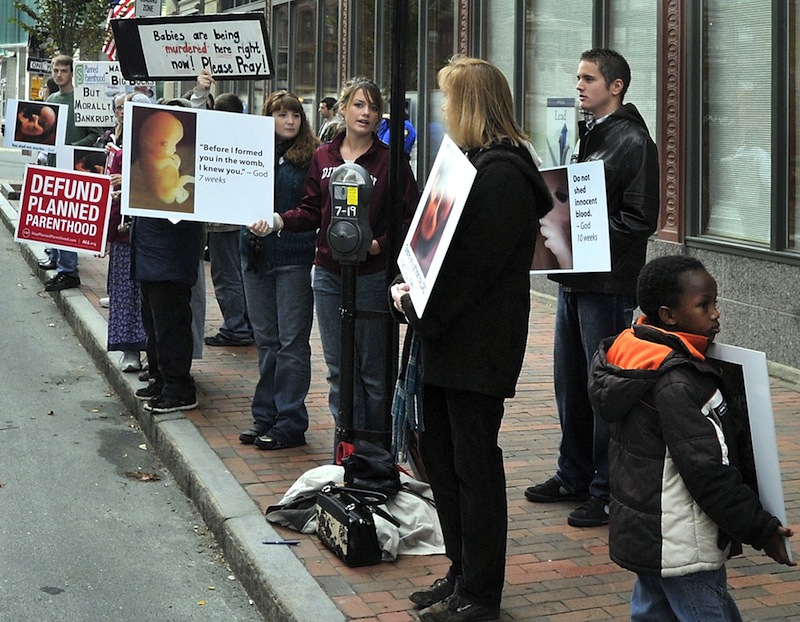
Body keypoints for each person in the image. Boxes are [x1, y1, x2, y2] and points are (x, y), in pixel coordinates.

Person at [389, 56, 553, 622]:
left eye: (449, 100)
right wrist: (412, 280)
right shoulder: (475, 163)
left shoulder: (503, 174)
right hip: (450, 339)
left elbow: (472, 268)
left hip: (477, 345)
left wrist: (416, 305)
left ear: (471, 106)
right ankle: (461, 573)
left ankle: (481, 593)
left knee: (474, 465)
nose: (442, 110)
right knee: (442, 456)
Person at [587, 255, 796, 621]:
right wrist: (761, 530)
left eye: (716, 303)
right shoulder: (678, 381)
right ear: (668, 315)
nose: (715, 314)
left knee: (653, 609)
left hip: (649, 533)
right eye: (704, 305)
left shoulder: (631, 353)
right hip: (683, 541)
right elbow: (708, 472)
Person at [524, 48, 660, 528]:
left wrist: (585, 238)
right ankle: (574, 474)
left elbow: (641, 219)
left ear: (616, 86)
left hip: (609, 285)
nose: (579, 85)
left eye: (588, 78)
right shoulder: (594, 135)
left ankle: (605, 491)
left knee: (604, 390)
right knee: (572, 385)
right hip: (578, 281)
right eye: (578, 76)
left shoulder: (633, 141)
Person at [249, 77, 419, 448]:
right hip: (328, 274)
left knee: (373, 370)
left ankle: (376, 448)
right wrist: (279, 221)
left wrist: (380, 245)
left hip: (372, 276)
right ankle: (346, 447)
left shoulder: (392, 161)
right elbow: (312, 210)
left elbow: (410, 219)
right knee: (339, 369)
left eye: (373, 107)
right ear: (342, 109)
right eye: (358, 105)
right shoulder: (323, 155)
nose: (366, 113)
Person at [237, 90, 318, 450]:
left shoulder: (311, 158)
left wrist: (278, 222)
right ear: (266, 117)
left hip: (293, 259)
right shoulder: (251, 152)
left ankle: (290, 420)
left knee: (291, 344)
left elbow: (312, 209)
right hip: (255, 256)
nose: (288, 121)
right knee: (267, 341)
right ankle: (264, 415)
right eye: (281, 114)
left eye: (295, 115)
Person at [130, 99, 205, 414]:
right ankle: (161, 378)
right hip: (150, 253)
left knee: (171, 322)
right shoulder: (147, 165)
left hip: (170, 257)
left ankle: (178, 387)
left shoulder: (189, 164)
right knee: (154, 321)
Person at [189, 70, 254, 347]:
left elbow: (197, 119)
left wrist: (200, 93)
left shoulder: (221, 133)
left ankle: (237, 327)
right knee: (238, 272)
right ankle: (244, 324)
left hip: (222, 221)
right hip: (239, 219)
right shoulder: (247, 133)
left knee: (226, 274)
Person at [39, 55, 106, 292]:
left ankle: (68, 270)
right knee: (54, 215)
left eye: (63, 70)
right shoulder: (53, 98)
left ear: (71, 72)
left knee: (67, 218)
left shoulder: (82, 99)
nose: (59, 75)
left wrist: (71, 149)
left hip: (76, 166)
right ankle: (56, 256)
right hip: (54, 163)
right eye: (55, 70)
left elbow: (94, 134)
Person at [104, 93, 147, 373]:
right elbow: (110, 196)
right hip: (124, 235)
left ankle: (151, 352)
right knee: (124, 293)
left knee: (149, 297)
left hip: (153, 239)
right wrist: (105, 235)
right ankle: (129, 350)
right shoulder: (118, 155)